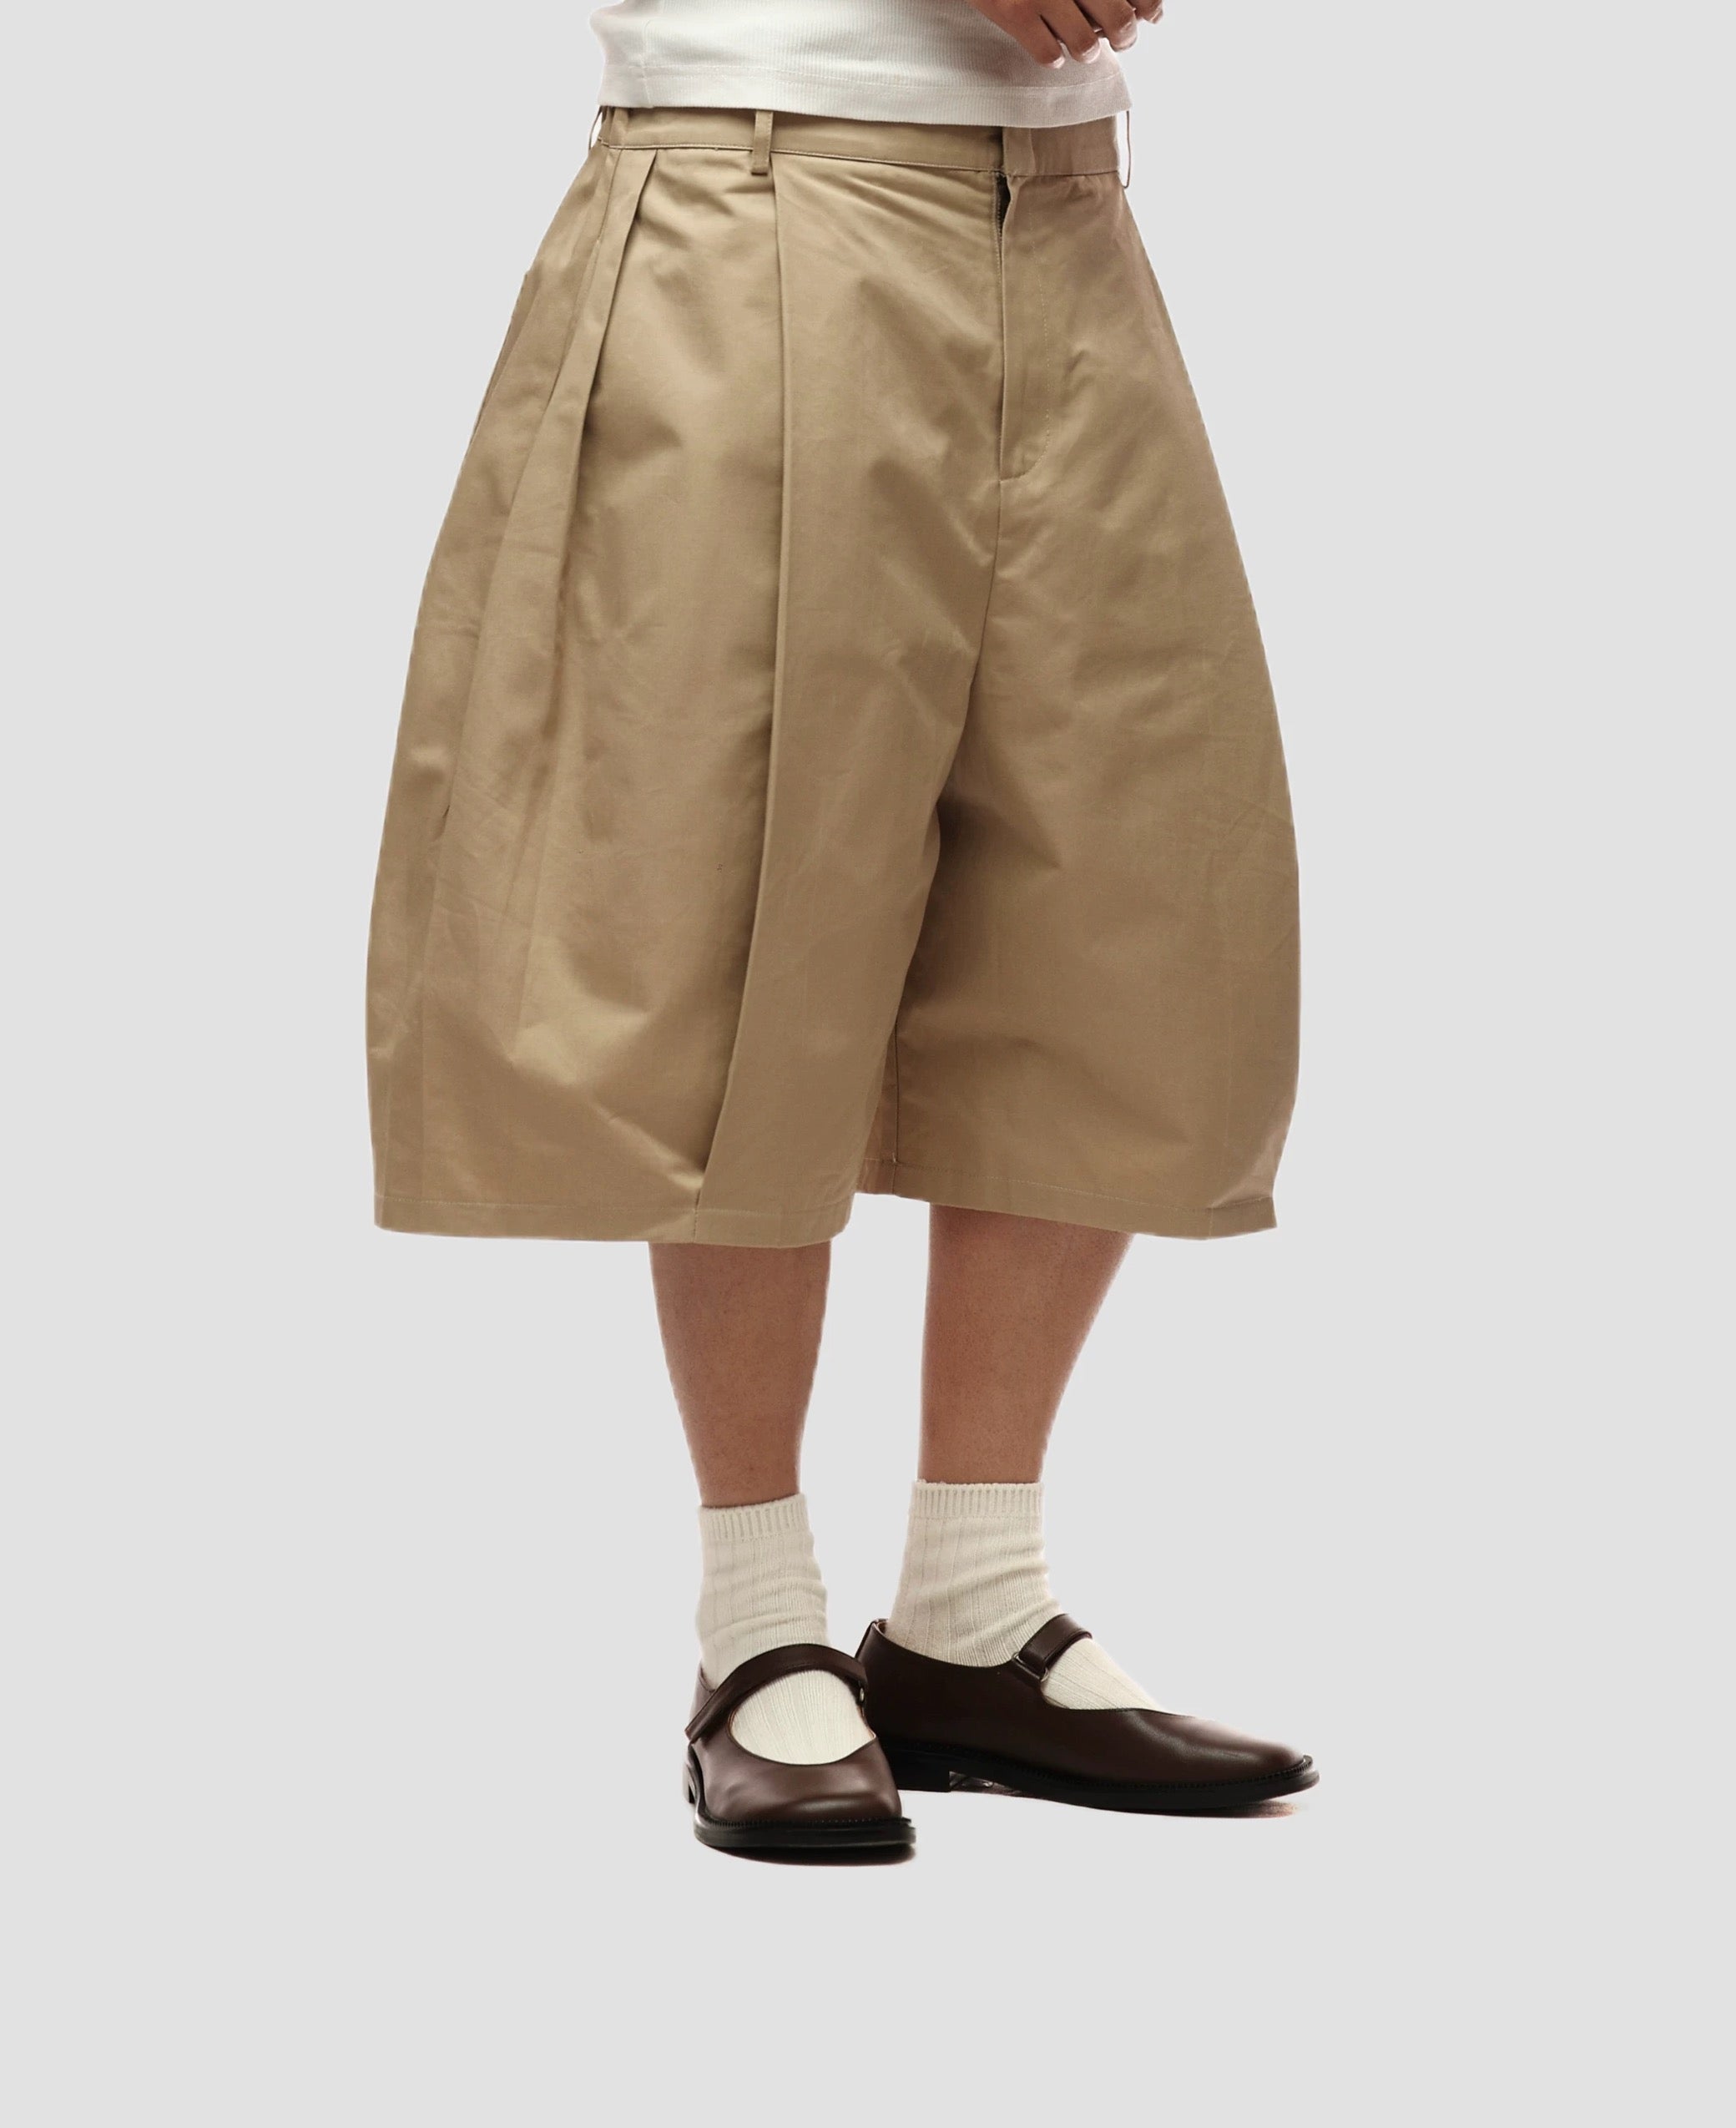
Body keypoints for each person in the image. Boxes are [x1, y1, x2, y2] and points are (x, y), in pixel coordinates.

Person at [366, 0, 1316, 1857]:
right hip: (755, 178)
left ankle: (972, 1608)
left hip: (1064, 208)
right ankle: (757, 1623)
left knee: (1113, 898)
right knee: (744, 902)